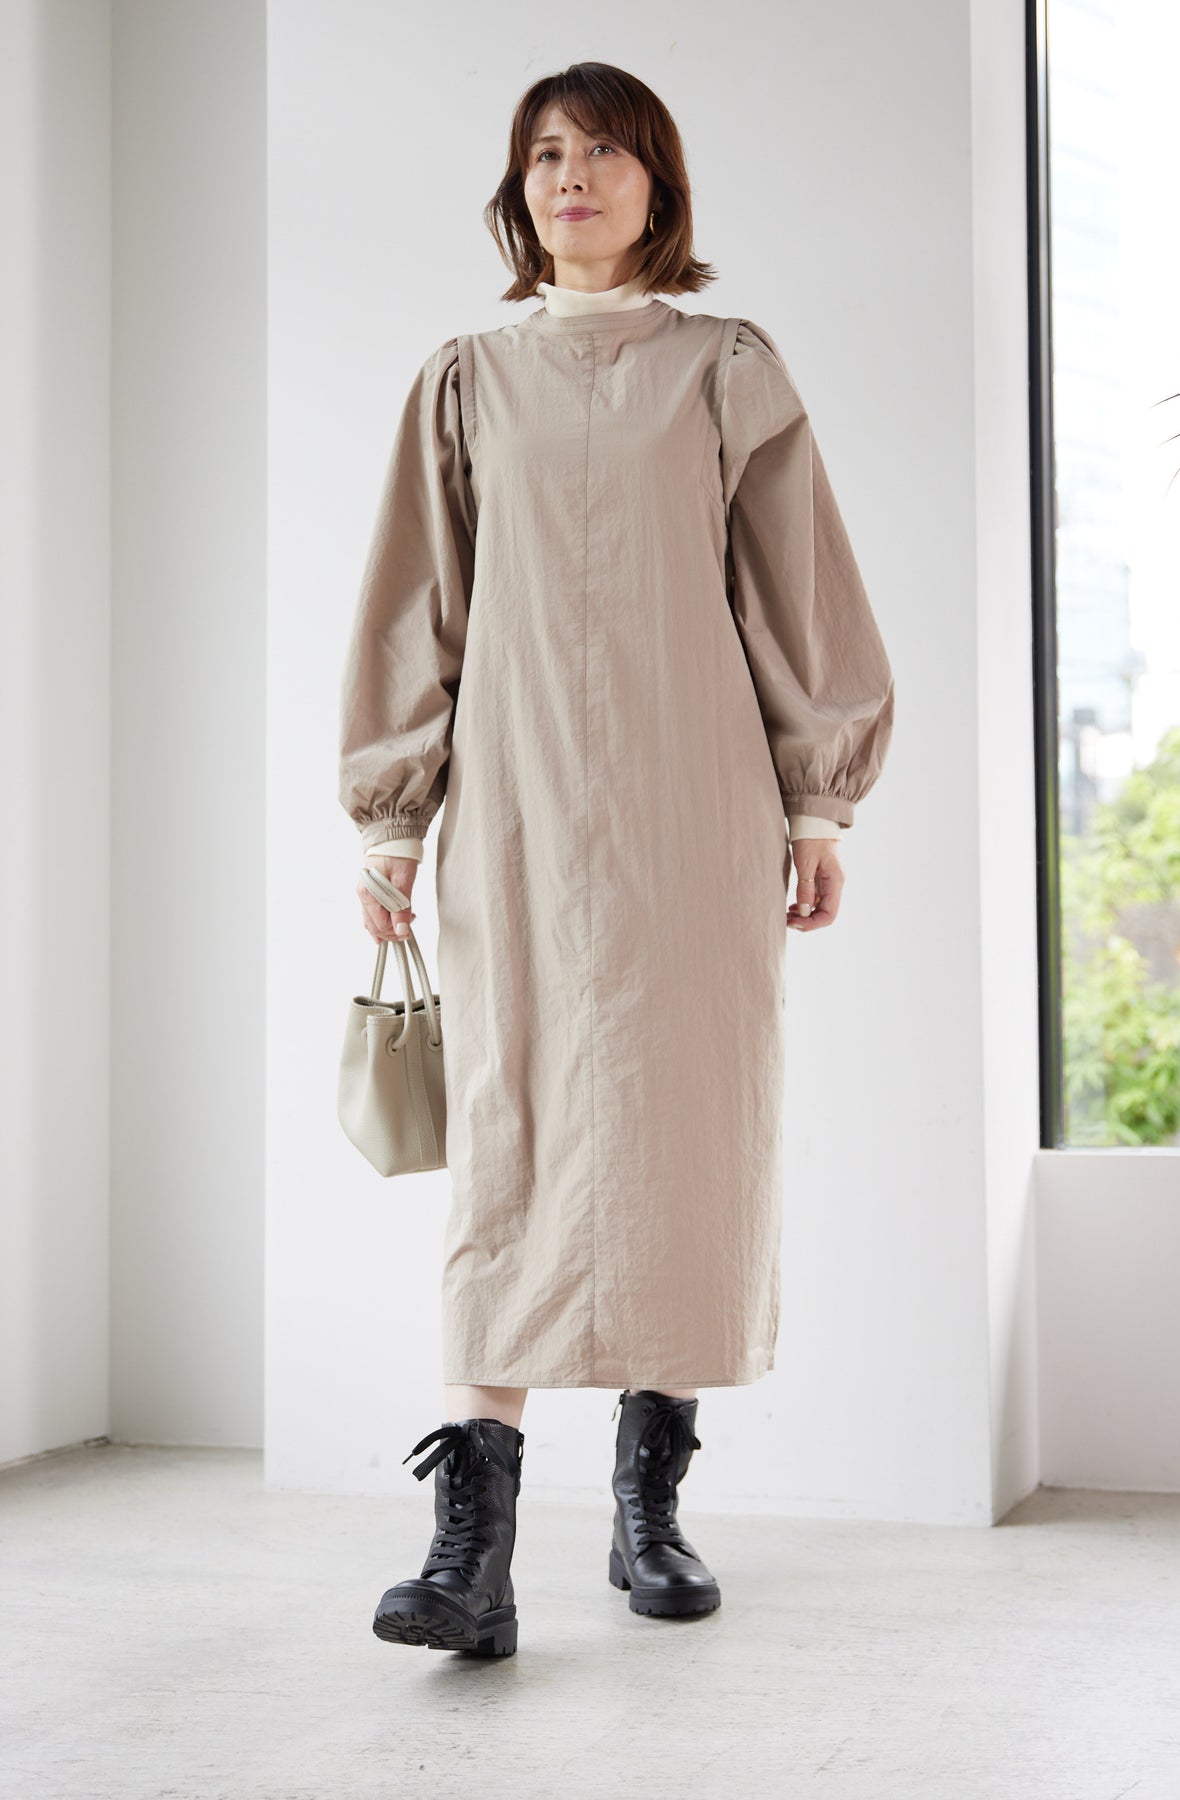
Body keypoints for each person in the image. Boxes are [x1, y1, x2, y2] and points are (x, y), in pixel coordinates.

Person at [337, 61, 895, 1659]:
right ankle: (472, 1553)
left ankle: (650, 1503)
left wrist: (817, 805)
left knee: (681, 1138)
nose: (570, 176)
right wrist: (392, 815)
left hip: (693, 814)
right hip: (514, 814)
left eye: (602, 152)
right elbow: (415, 610)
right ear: (519, 191)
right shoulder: (467, 382)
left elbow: (796, 589)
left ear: (660, 182)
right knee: (505, 1142)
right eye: (544, 154)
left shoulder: (726, 369)